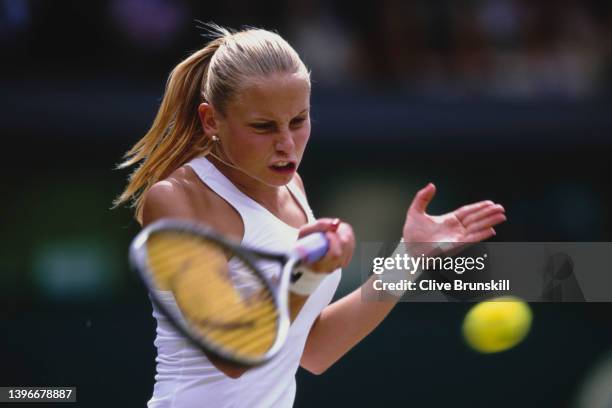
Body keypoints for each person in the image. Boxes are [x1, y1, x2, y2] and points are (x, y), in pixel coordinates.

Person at [114, 25, 506, 408]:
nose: (286, 143)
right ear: (211, 120)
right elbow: (231, 355)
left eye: (298, 121)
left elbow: (314, 349)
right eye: (263, 126)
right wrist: (306, 273)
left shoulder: (292, 187)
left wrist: (409, 257)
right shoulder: (175, 199)